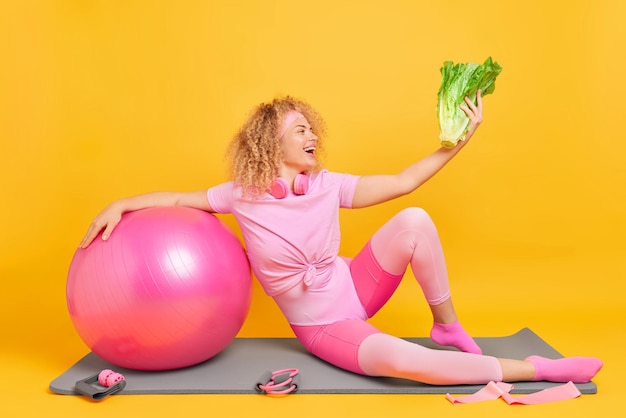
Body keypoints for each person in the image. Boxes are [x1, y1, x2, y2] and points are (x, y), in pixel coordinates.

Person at [79, 92, 602, 385]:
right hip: (325, 324)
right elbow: (176, 201)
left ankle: (447, 326)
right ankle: (538, 370)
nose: (312, 136)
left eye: (312, 128)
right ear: (271, 142)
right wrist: (120, 204)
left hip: (355, 285)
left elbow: (401, 183)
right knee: (401, 363)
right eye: (300, 129)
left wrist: (459, 140)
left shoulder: (326, 184)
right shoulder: (241, 194)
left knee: (414, 218)